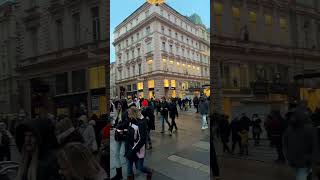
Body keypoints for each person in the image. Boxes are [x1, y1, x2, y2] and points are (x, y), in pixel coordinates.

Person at [283, 107, 318, 180]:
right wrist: (288, 157)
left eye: (294, 116)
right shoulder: (289, 130)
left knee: (300, 177)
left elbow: (315, 147)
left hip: (304, 162)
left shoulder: (309, 129)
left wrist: (313, 163)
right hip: (295, 161)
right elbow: (285, 144)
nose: (292, 118)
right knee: (300, 176)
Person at [125, 106, 153, 180]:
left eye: (129, 114)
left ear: (133, 114)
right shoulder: (131, 121)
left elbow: (142, 139)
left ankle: (149, 171)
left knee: (139, 167)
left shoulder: (141, 123)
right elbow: (129, 132)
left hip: (138, 149)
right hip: (130, 147)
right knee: (129, 168)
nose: (128, 115)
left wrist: (133, 150)